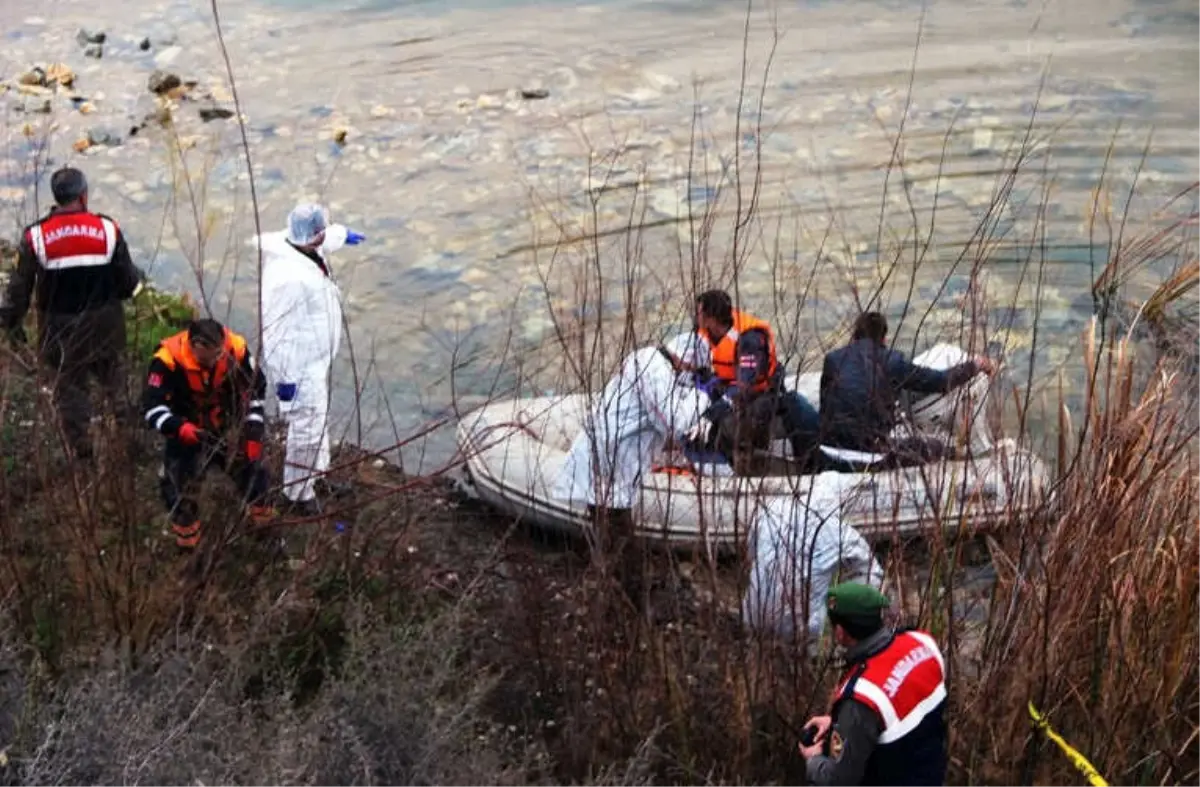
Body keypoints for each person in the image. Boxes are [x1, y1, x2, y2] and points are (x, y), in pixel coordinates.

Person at [553, 331, 727, 610]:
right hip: (611, 459)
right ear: (685, 360)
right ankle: (626, 602)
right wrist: (702, 396)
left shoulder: (651, 362)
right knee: (615, 528)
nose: (691, 374)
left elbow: (658, 417)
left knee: (618, 525)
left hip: (616, 457)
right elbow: (675, 421)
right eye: (693, 369)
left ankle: (626, 592)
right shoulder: (654, 371)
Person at [0, 166, 145, 461]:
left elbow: (18, 292)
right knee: (116, 386)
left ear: (56, 198)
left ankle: (83, 455)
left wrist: (11, 323)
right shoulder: (107, 229)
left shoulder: (35, 237)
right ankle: (131, 447)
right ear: (84, 195)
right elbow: (128, 283)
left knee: (72, 392)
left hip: (60, 332)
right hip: (106, 326)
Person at [257, 203, 365, 516]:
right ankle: (298, 494)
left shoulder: (300, 246)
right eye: (322, 234)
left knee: (319, 421)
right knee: (305, 428)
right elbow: (277, 334)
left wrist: (343, 235)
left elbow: (321, 239)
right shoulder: (288, 280)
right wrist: (286, 382)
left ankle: (316, 476)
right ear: (310, 237)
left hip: (315, 359)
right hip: (299, 368)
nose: (323, 239)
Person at [798, 582, 948, 787]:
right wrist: (839, 725)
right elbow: (900, 704)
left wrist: (813, 760)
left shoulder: (863, 697)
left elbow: (840, 780)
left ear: (840, 632)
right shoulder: (922, 642)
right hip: (930, 773)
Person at [142, 318, 273, 549]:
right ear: (193, 345)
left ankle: (262, 524)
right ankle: (187, 539)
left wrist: (253, 426)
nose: (213, 363)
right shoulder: (167, 360)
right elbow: (152, 409)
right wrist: (179, 427)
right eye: (207, 359)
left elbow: (256, 388)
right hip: (185, 429)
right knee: (179, 483)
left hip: (226, 425)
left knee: (254, 469)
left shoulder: (236, 349)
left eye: (217, 356)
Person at [819, 311, 996, 465]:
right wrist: (975, 365)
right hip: (869, 454)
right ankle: (964, 453)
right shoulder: (891, 361)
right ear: (883, 338)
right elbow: (940, 382)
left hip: (829, 449)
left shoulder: (832, 359)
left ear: (854, 336)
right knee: (933, 446)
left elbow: (826, 406)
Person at [741, 478, 884, 650]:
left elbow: (750, 553)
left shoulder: (770, 510)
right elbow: (872, 574)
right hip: (800, 628)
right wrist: (847, 603)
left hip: (752, 615)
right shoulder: (840, 531)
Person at [693, 289, 821, 471]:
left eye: (699, 313)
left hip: (759, 394)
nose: (696, 317)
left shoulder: (750, 338)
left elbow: (745, 387)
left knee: (738, 421)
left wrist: (711, 415)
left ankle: (748, 466)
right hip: (724, 387)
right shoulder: (702, 333)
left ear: (711, 318)